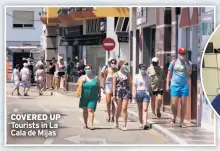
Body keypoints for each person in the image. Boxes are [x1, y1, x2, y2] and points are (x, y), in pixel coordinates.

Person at [166, 48, 192, 128]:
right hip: (174, 85)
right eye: (181, 54)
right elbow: (169, 74)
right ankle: (174, 116)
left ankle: (182, 122)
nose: (182, 55)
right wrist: (167, 85)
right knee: (174, 104)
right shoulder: (173, 62)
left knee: (183, 104)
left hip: (184, 86)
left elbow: (189, 72)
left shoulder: (188, 62)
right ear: (178, 54)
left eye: (183, 54)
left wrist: (186, 63)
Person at [79, 65, 101, 130]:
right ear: (84, 70)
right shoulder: (82, 77)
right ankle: (85, 123)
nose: (88, 70)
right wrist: (81, 82)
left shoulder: (96, 78)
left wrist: (99, 96)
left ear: (91, 69)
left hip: (93, 97)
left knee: (91, 110)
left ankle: (91, 125)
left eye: (89, 68)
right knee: (85, 110)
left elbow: (99, 87)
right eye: (86, 69)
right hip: (84, 97)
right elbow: (78, 85)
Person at [113, 60, 132, 131]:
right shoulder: (115, 74)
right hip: (118, 92)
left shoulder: (128, 74)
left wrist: (131, 93)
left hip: (126, 92)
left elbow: (130, 84)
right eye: (125, 64)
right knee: (119, 108)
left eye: (127, 64)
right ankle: (116, 120)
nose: (126, 66)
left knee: (124, 108)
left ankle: (124, 124)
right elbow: (114, 85)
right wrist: (114, 94)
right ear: (120, 65)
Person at [133, 64, 152, 130]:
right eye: (142, 69)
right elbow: (134, 86)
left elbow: (149, 86)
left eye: (144, 69)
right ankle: (141, 122)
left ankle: (145, 123)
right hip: (139, 93)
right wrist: (134, 93)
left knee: (145, 109)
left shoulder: (148, 77)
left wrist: (151, 92)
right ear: (140, 69)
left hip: (146, 93)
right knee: (140, 109)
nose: (143, 70)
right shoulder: (136, 76)